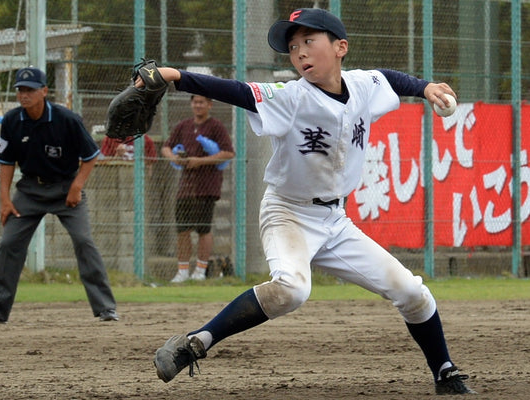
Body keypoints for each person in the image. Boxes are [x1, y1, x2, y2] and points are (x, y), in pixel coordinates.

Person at [148, 8, 475, 395]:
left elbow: (387, 78)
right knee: (292, 289)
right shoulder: (290, 97)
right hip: (288, 212)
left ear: (340, 47)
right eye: (292, 46)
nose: (299, 52)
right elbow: (237, 91)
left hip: (336, 221)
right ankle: (196, 343)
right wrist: (176, 77)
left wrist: (425, 87)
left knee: (412, 292)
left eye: (308, 41)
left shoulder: (362, 84)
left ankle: (445, 372)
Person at [0, 67, 119, 323]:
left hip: (66, 189)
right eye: (21, 90)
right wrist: (5, 200)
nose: (24, 95)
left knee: (83, 240)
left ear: (44, 91)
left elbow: (90, 155)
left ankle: (106, 307)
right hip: (30, 190)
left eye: (30, 89)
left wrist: (76, 187)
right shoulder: (11, 121)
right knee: (8, 244)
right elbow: (6, 163)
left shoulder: (66, 119)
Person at [161, 95, 234, 282]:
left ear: (210, 105)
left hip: (207, 186)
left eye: (202, 102)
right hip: (186, 187)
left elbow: (228, 153)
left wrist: (200, 161)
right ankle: (182, 271)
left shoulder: (216, 126)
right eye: (195, 102)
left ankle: (200, 271)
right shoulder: (183, 125)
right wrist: (176, 158)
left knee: (203, 229)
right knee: (182, 230)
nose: (198, 105)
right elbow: (166, 147)